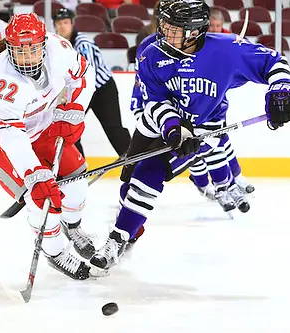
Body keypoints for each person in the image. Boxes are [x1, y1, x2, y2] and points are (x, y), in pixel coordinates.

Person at [91, 0, 290, 270]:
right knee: (128, 181)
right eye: (164, 26)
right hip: (157, 123)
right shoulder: (152, 53)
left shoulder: (227, 51)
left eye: (173, 29)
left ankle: (118, 237)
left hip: (202, 128)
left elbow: (275, 62)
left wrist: (280, 90)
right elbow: (156, 102)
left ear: (194, 32)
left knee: (148, 173)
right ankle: (131, 226)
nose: (164, 33)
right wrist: (173, 127)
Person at [0, 13, 98, 280]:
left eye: (33, 49)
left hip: (39, 122)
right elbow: (10, 134)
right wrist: (34, 175)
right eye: (19, 51)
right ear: (9, 47)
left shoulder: (58, 49)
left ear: (43, 44)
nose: (26, 57)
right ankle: (55, 252)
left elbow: (83, 77)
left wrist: (75, 108)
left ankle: (72, 226)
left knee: (77, 180)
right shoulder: (0, 79)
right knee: (41, 200)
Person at [131, 1, 253, 210]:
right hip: (167, 113)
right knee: (191, 150)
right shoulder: (151, 47)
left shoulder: (210, 43)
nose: (169, 31)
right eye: (166, 25)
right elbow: (149, 83)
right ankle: (205, 184)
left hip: (203, 110)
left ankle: (228, 184)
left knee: (215, 144)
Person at [53, 8, 131, 157]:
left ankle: (132, 159)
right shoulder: (58, 45)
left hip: (102, 89)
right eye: (59, 23)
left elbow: (88, 76)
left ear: (72, 24)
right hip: (83, 89)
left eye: (66, 22)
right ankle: (76, 165)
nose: (63, 26)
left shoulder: (83, 43)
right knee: (70, 127)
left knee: (113, 128)